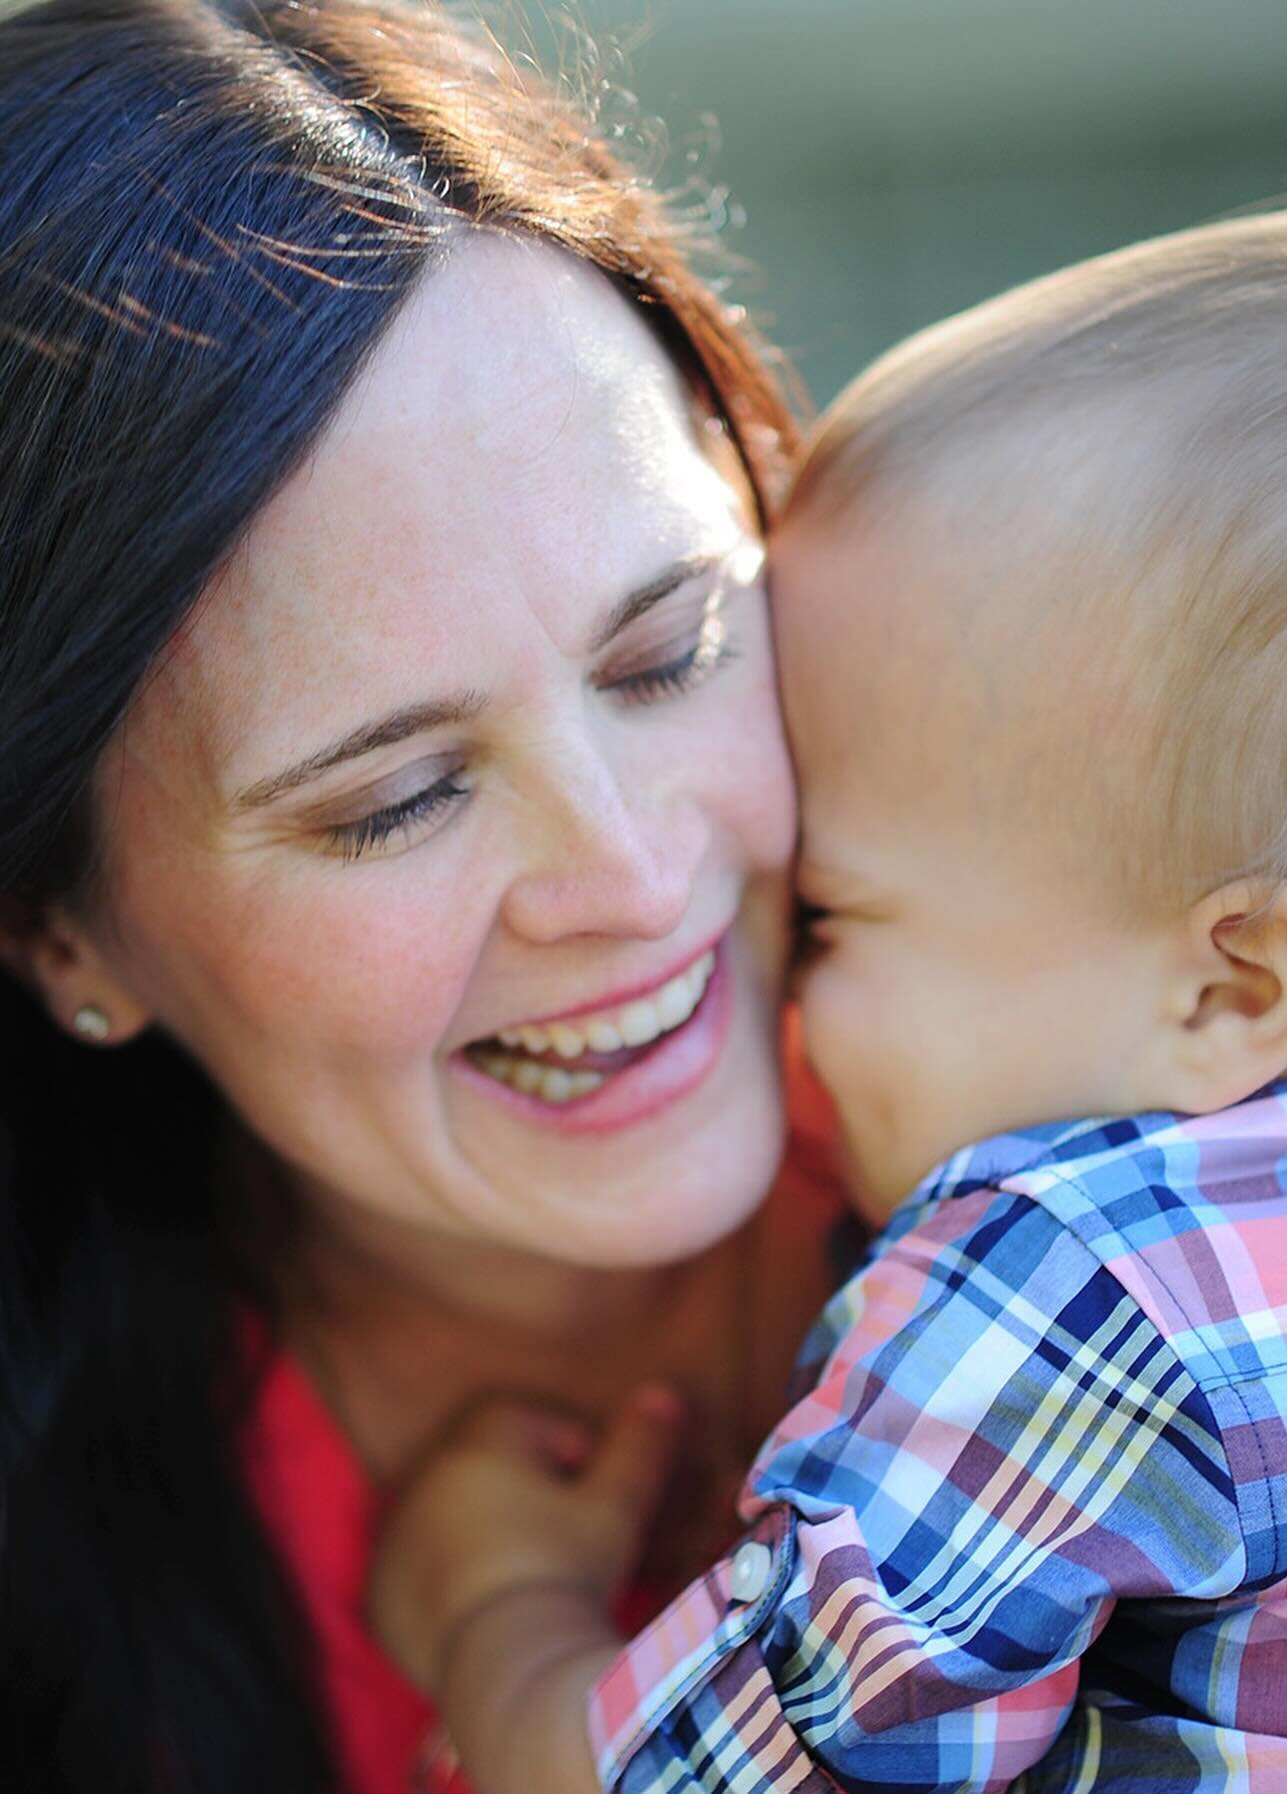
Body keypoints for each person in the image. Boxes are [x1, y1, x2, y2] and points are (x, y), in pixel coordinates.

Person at [370, 195, 1287, 1793]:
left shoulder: (1075, 1278)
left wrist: (491, 1601)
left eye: (835, 911)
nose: (780, 980)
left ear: (1230, 987)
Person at [0, 3, 847, 1791]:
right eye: (398, 799)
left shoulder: (1204, 1099)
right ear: (57, 929)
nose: (628, 873)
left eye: (670, 647)